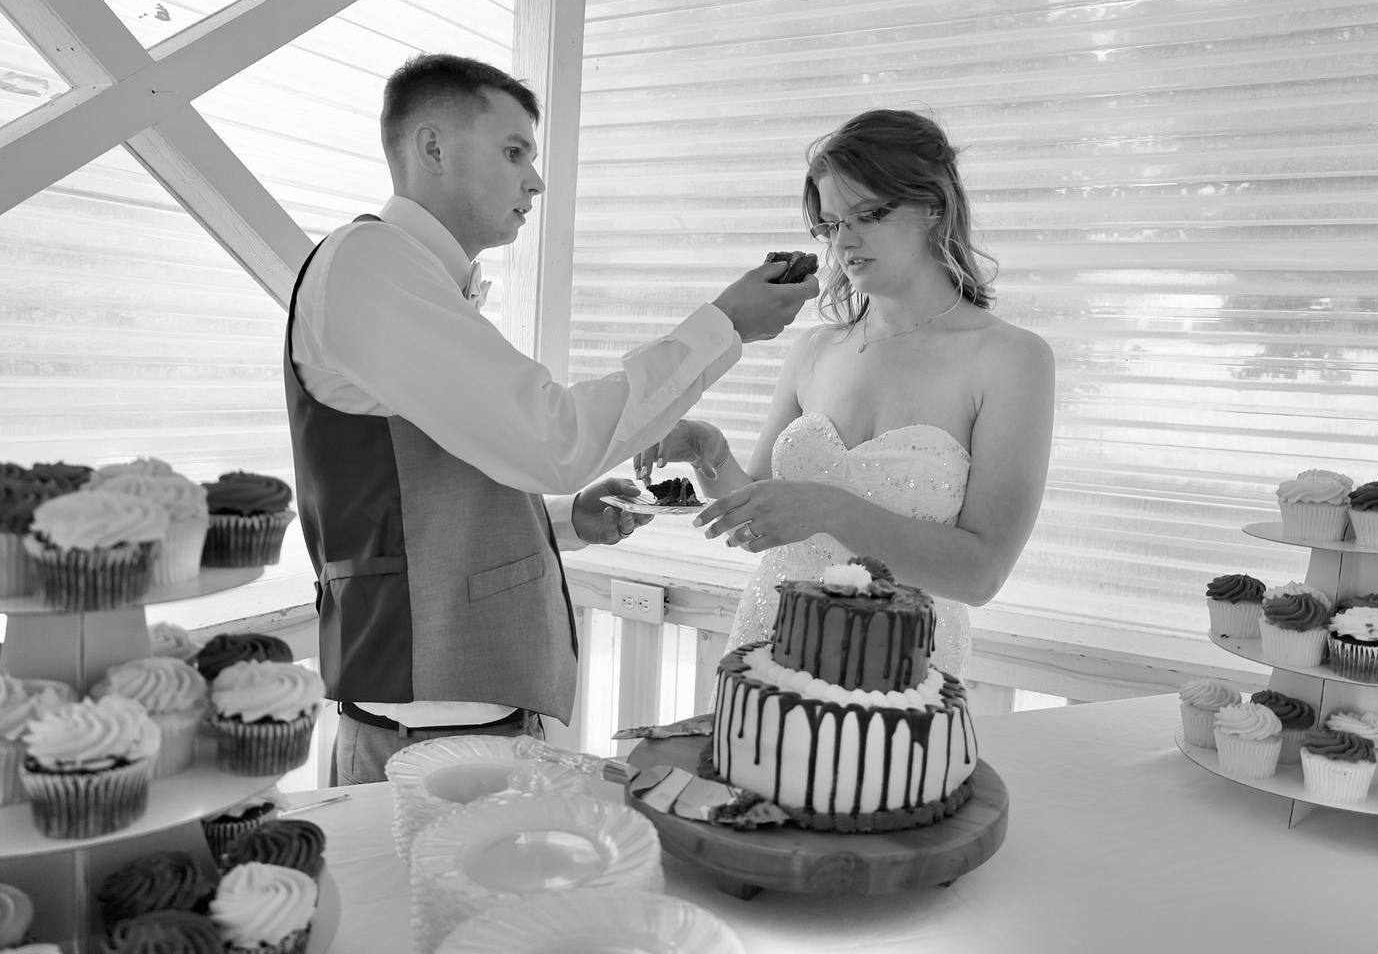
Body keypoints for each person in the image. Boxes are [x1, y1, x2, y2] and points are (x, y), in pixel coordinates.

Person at [283, 53, 816, 785]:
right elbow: (552, 439)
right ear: (432, 147)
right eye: (513, 152)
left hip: (464, 718)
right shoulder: (371, 264)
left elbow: (443, 479)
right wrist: (724, 325)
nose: (535, 181)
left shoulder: (413, 277)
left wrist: (561, 522)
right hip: (418, 736)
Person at [636, 108, 1054, 678]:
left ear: (934, 207)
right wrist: (709, 451)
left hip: (900, 679)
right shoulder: (814, 349)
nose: (844, 241)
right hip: (770, 649)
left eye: (869, 215)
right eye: (830, 224)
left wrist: (830, 509)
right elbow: (763, 519)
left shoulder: (1010, 359)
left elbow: (981, 574)